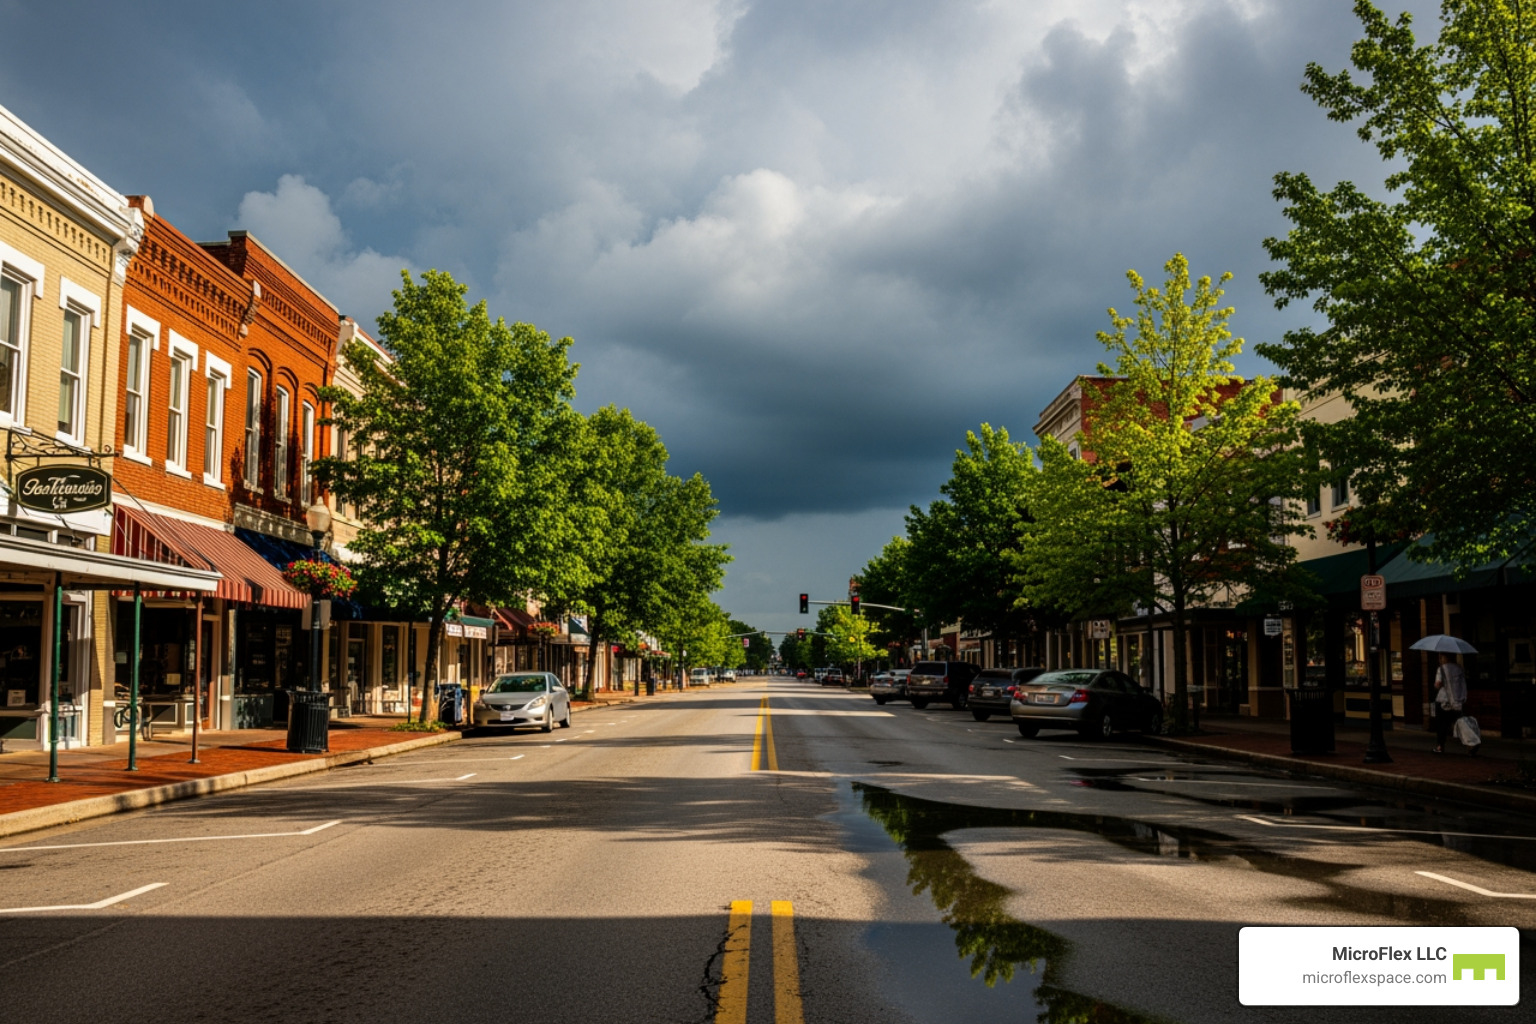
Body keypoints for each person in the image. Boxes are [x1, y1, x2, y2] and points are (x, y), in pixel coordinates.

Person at [1432, 652, 1467, 753]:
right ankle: (1470, 742)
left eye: (1441, 657)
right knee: (1461, 723)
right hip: (1457, 701)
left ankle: (1440, 746)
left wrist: (1437, 685)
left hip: (1443, 700)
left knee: (1441, 725)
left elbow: (1438, 684)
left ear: (1445, 658)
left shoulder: (1441, 669)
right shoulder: (1459, 669)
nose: (1440, 660)